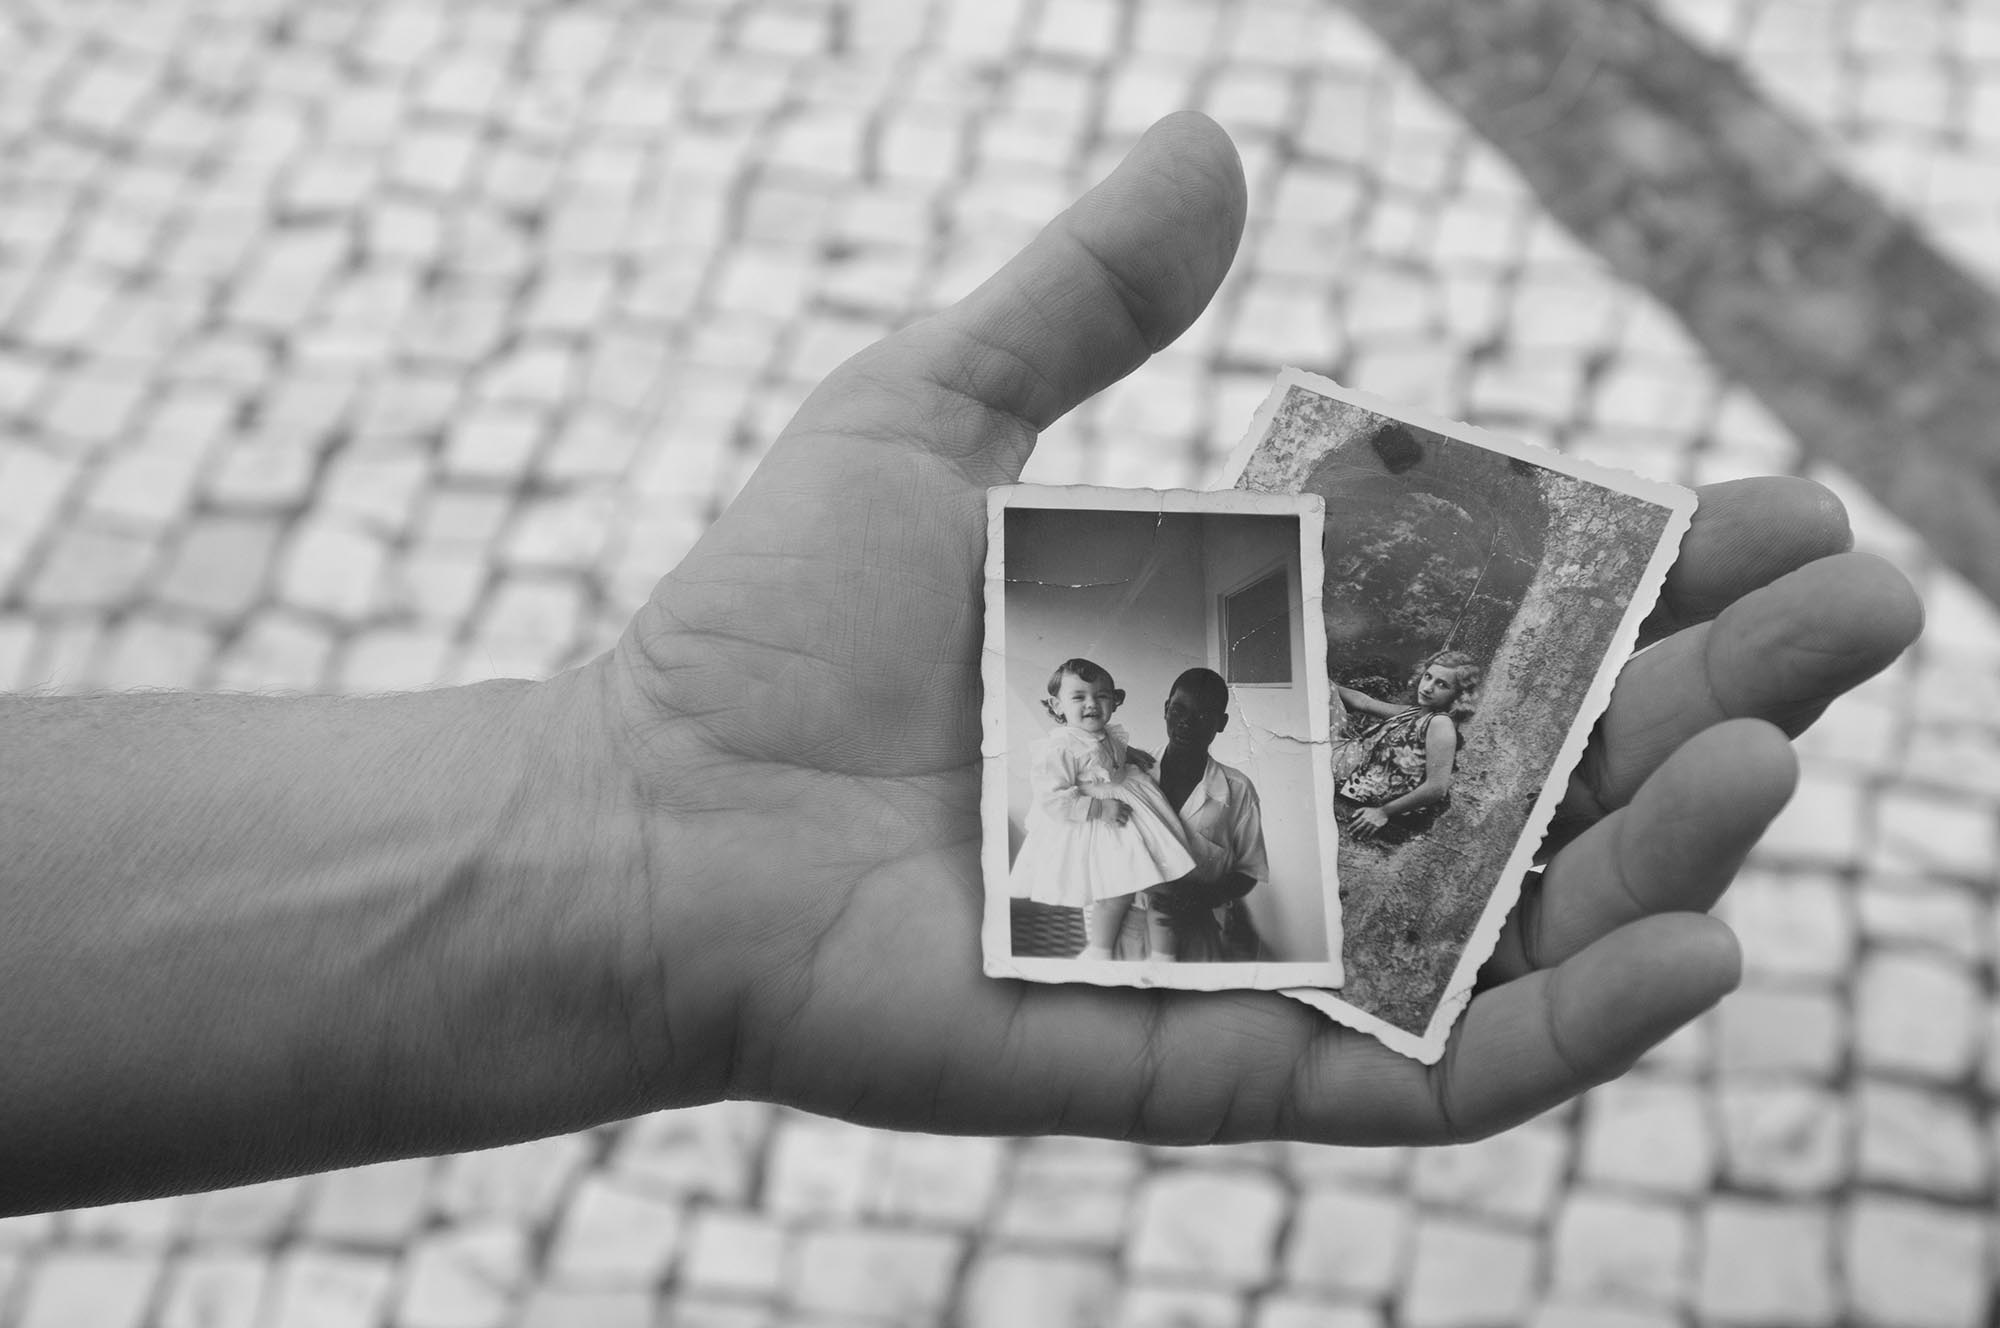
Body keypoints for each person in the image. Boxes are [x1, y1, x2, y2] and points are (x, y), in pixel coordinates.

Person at [0, 113, 1924, 1218]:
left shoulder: (1257, 753)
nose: (1106, 696)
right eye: (1102, 689)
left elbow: (1262, 809)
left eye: (1119, 691)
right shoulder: (1137, 740)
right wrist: (634, 833)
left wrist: (622, 832)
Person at [1008, 658, 1196, 960]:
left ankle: (1163, 956)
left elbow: (1106, 750)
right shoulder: (1059, 747)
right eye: (1078, 697)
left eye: (1102, 696)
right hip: (1100, 822)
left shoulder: (1107, 733)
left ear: (1115, 701)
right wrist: (1097, 808)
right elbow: (1051, 797)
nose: (1092, 704)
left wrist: (1130, 754)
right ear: (1057, 706)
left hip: (1131, 811)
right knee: (1113, 891)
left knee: (1162, 885)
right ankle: (1099, 951)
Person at [1114, 668, 1272, 962]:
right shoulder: (1132, 773)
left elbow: (1250, 871)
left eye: (1203, 715)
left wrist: (1202, 898)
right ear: (1165, 709)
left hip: (1197, 925)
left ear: (1221, 723)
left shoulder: (1238, 790)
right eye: (1178, 710)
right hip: (1130, 922)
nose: (1186, 722)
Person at [1334, 650, 1483, 844]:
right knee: (1328, 693)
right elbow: (1365, 703)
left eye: (1442, 684)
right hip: (1346, 760)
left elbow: (1437, 787)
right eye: (1428, 677)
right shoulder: (1414, 713)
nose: (1428, 688)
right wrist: (1327, 683)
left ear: (1458, 695)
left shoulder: (1440, 723)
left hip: (1349, 771)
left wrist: (1383, 812)